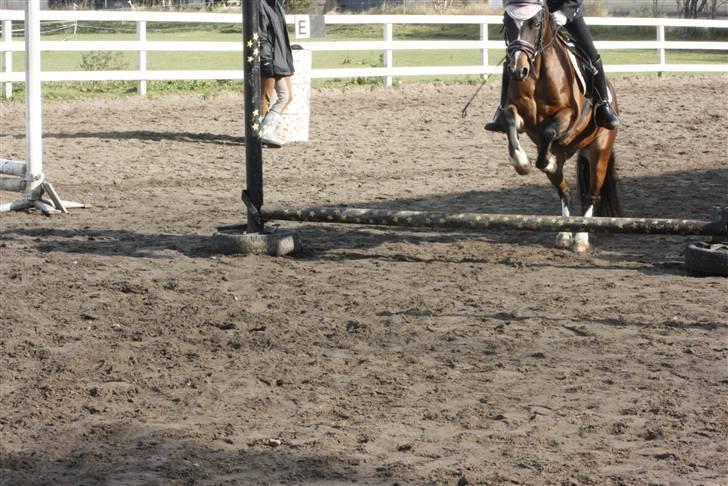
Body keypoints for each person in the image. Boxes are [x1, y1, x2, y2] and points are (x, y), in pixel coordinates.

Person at [485, 0, 620, 133]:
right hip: (534, 13)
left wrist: (563, 13)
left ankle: (603, 104)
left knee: (591, 54)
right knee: (516, 54)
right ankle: (503, 109)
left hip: (568, 13)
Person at [259, 0, 295, 147]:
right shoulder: (260, 5)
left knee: (287, 96)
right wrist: (266, 59)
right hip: (269, 58)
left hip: (279, 58)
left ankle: (267, 129)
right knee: (264, 97)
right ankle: (257, 133)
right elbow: (261, 35)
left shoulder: (277, 5)